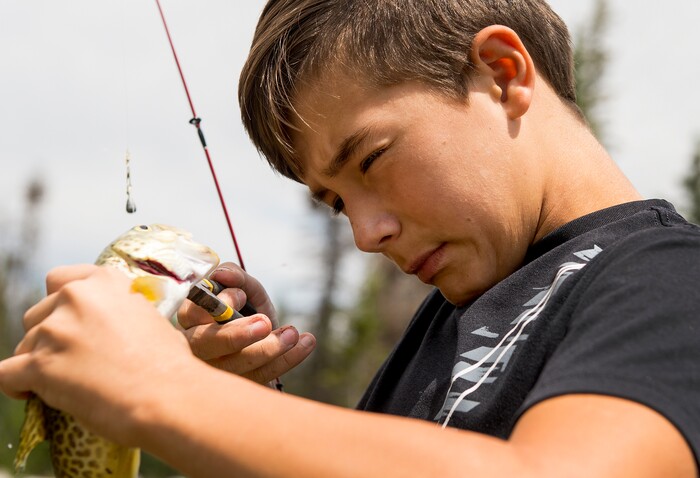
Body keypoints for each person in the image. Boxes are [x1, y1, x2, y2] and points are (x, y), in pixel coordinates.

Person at [2, 0, 699, 476]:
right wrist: (238, 414)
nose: (367, 234)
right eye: (336, 204)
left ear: (502, 73)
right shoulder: (447, 327)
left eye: (370, 159)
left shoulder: (669, 281)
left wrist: (163, 391)